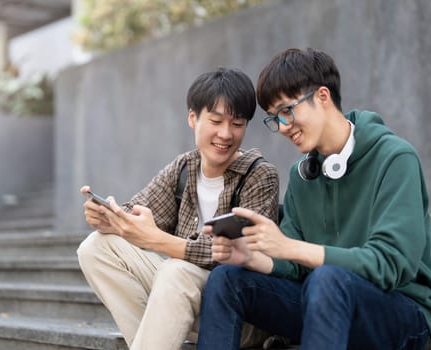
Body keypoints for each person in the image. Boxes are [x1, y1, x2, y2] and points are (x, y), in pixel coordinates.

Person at [197, 48, 431, 350]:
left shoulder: (395, 158)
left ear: (322, 96)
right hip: (325, 300)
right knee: (228, 280)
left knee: (328, 279)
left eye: (287, 111)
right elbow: (295, 263)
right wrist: (251, 257)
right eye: (274, 119)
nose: (282, 127)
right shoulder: (304, 173)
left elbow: (389, 264)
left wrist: (293, 247)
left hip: (402, 310)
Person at [76, 67, 280, 350]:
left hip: (241, 316)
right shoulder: (184, 168)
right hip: (182, 300)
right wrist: (110, 217)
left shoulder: (259, 176)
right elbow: (137, 209)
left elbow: (235, 255)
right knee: (95, 248)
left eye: (237, 123)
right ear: (193, 118)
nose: (226, 134)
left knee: (176, 270)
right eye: (216, 120)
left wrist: (159, 240)